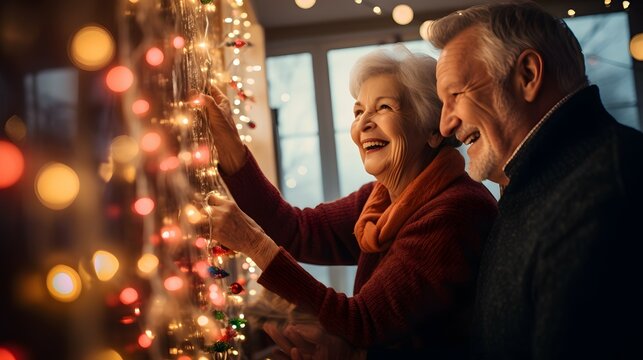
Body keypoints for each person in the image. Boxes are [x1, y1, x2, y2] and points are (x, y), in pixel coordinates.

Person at [198, 45, 498, 358]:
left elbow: (364, 321)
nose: (363, 124)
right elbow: (294, 229)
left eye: (383, 107)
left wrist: (255, 245)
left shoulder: (455, 210)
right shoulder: (379, 199)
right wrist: (230, 145)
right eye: (358, 111)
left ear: (433, 131)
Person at [427, 2, 643, 359]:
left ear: (527, 75)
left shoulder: (605, 192)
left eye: (455, 95)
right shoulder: (535, 189)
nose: (445, 125)